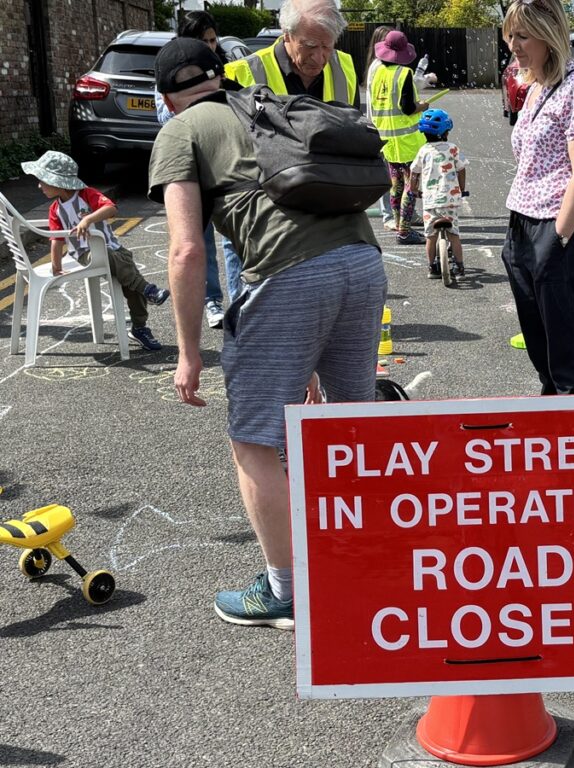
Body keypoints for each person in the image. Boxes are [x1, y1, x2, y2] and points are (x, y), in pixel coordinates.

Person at [150, 38, 385, 629]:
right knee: (349, 424)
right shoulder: (266, 102)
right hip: (363, 261)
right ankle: (359, 562)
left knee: (254, 441)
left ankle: (286, 591)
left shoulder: (181, 130)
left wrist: (187, 352)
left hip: (289, 276)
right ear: (218, 74)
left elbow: (185, 250)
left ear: (166, 96)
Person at [501, 0, 574, 395]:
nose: (514, 44)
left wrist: (560, 238)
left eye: (524, 35)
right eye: (511, 34)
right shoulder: (534, 86)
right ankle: (554, 428)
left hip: (561, 226)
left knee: (570, 355)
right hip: (523, 223)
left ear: (550, 36)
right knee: (542, 347)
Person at [220, 0, 358, 302]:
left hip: (324, 198)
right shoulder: (242, 72)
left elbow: (351, 126)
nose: (320, 57)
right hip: (262, 204)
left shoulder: (344, 65)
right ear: (286, 35)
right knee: (256, 302)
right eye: (310, 46)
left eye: (327, 47)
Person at [22, 151, 169, 351]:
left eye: (42, 180)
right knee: (116, 262)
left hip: (114, 247)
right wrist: (56, 267)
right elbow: (56, 240)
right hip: (85, 254)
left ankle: (140, 326)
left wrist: (88, 218)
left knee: (131, 287)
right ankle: (148, 289)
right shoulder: (54, 210)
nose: (39, 185)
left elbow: (111, 209)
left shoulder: (87, 194)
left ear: (57, 182)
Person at [155, 9, 227, 329]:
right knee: (198, 240)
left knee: (236, 241)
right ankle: (211, 299)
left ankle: (242, 300)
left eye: (213, 40)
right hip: (192, 169)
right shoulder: (171, 70)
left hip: (223, 165)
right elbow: (165, 116)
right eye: (203, 41)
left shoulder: (221, 68)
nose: (209, 47)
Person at [369, 30, 429, 246]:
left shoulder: (377, 73)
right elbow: (407, 108)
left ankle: (397, 224)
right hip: (406, 141)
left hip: (386, 138)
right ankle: (405, 231)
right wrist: (422, 106)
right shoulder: (404, 74)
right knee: (410, 186)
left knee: (395, 185)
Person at [410, 108, 468, 279]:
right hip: (451, 200)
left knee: (430, 236)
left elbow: (414, 172)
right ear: (445, 132)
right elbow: (461, 169)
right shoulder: (452, 149)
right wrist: (461, 189)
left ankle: (432, 267)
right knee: (454, 234)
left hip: (430, 201)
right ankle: (459, 267)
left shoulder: (423, 151)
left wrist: (414, 190)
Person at [365, 25, 397, 230]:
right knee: (389, 174)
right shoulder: (379, 68)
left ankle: (404, 213)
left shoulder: (381, 67)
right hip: (382, 128)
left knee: (399, 173)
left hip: (390, 128)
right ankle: (388, 216)